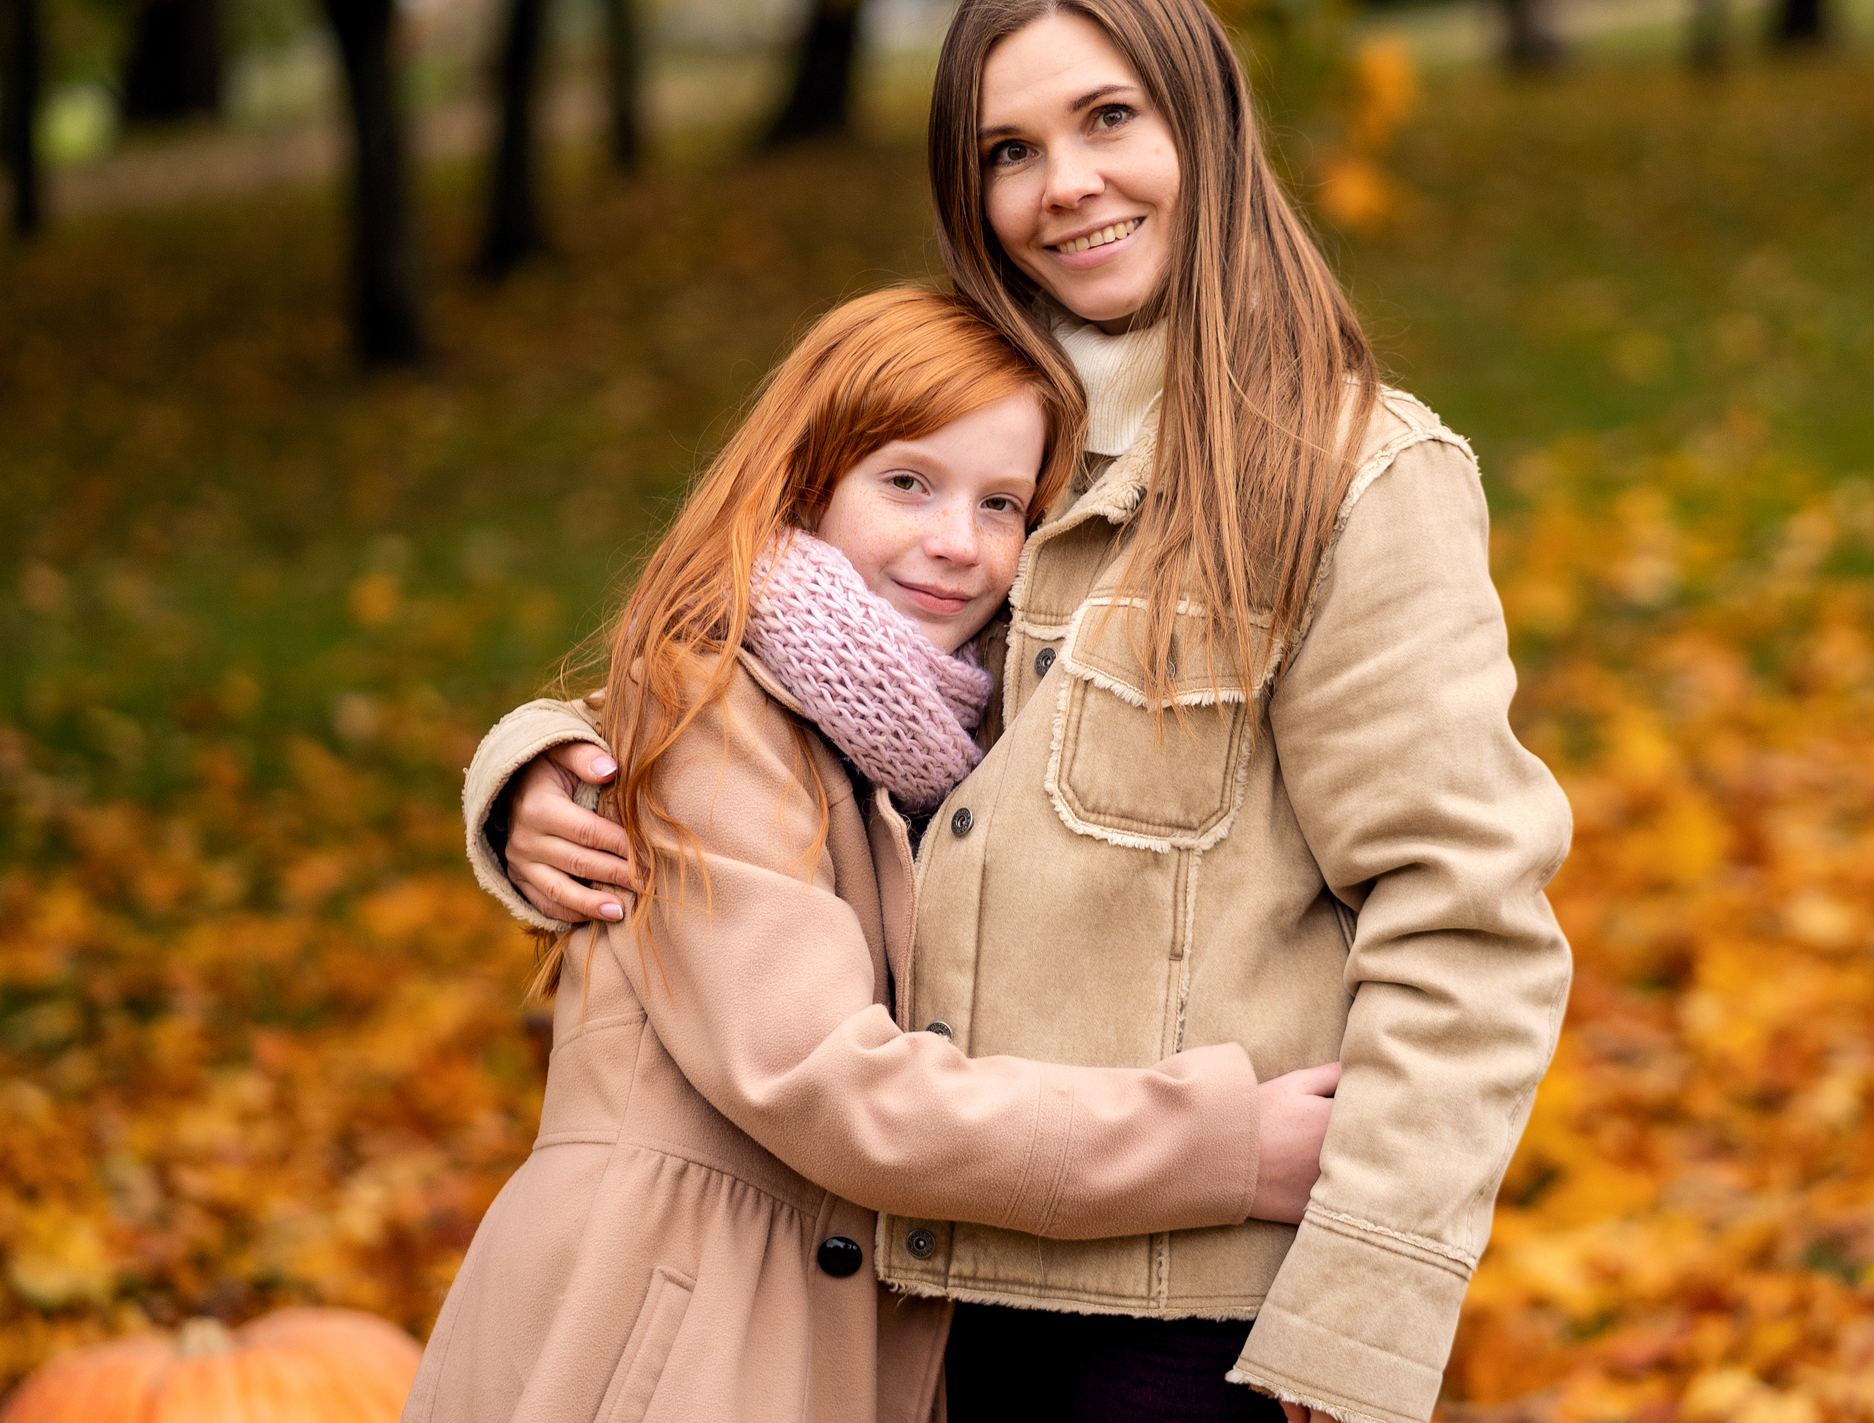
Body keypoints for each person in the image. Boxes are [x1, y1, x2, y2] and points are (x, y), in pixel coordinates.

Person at [466, 0, 1574, 1423]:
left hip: (1176, 1322)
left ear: (1206, 124)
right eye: (1010, 147)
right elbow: (758, 667)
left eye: (1110, 117)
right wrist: (541, 764)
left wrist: (1355, 1324)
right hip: (904, 1307)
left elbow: (1467, 916)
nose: (1067, 184)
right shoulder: (981, 455)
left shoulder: (1348, 476)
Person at [410, 286, 1342, 1423]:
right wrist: (1224, 1145)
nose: (955, 543)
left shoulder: (946, 752)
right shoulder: (713, 711)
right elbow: (834, 1089)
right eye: (907, 483)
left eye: (1002, 504)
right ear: (805, 483)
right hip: (656, 1341)